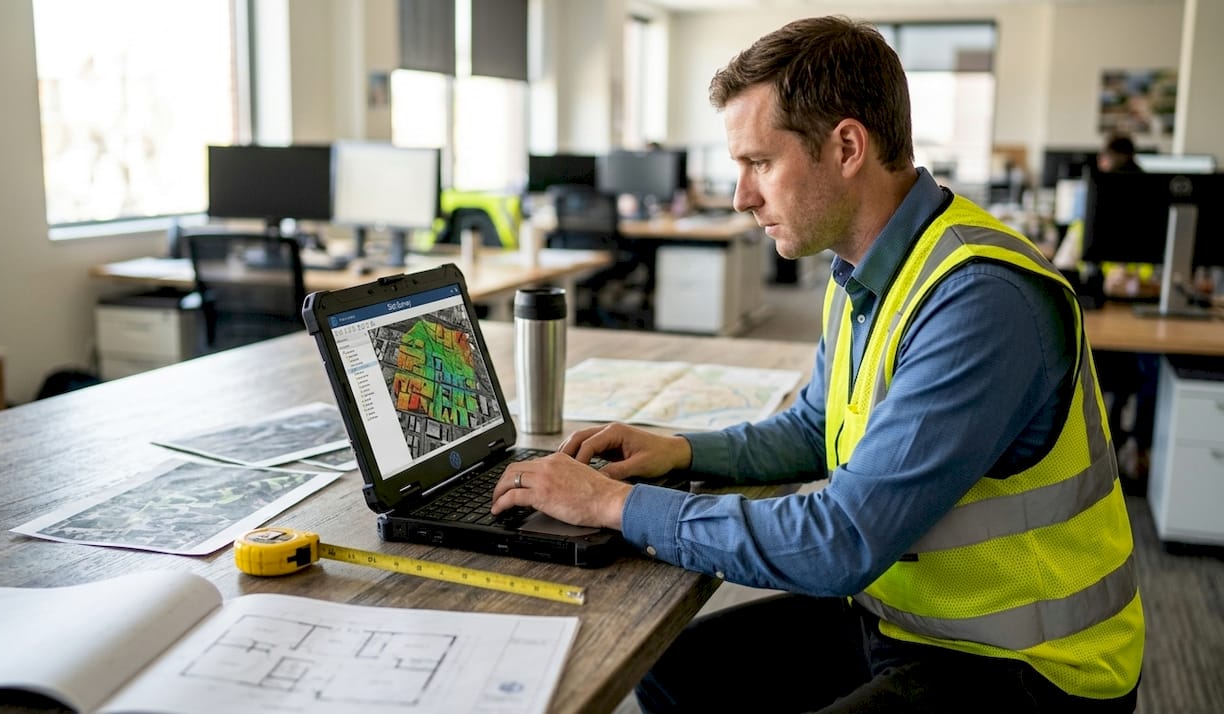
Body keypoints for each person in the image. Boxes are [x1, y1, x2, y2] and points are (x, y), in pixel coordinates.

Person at [491, 15, 1143, 713]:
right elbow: (815, 426)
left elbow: (844, 540)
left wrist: (613, 504)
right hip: (903, 612)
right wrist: (679, 449)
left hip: (1026, 665)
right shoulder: (863, 268)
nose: (742, 196)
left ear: (848, 147)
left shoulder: (980, 299)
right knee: (672, 671)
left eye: (759, 164)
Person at [1053, 132, 1158, 491]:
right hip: (1102, 317)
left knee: (1153, 372)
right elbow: (1061, 269)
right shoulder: (1090, 219)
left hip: (1143, 320)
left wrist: (1136, 284)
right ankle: (1105, 449)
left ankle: (1138, 449)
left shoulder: (1149, 219)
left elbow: (1164, 279)